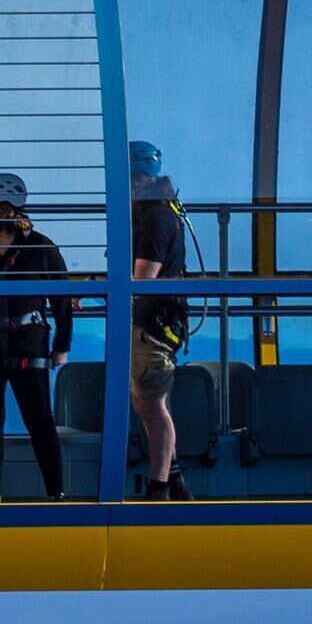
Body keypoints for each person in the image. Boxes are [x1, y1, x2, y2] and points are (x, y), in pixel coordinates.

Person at [0, 172, 77, 501]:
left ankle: (56, 492)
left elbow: (62, 300)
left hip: (27, 343)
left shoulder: (40, 247)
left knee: (39, 419)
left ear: (4, 208)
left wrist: (61, 346)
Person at [125, 139, 192, 500]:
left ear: (136, 178)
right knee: (147, 403)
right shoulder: (161, 211)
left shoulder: (155, 218)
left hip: (152, 326)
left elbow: (140, 279)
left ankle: (160, 486)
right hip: (157, 322)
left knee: (152, 405)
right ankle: (173, 476)